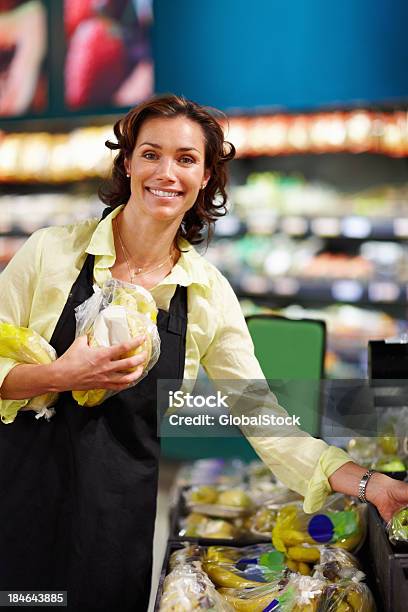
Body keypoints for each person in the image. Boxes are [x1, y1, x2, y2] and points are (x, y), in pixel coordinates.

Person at [0, 94, 407, 611]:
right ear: (127, 163)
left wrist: (369, 483)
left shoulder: (208, 294)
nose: (166, 172)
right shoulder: (50, 252)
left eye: (186, 159)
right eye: (151, 154)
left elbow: (264, 419)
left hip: (114, 525)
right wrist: (59, 374)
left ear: (207, 178)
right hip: (20, 503)